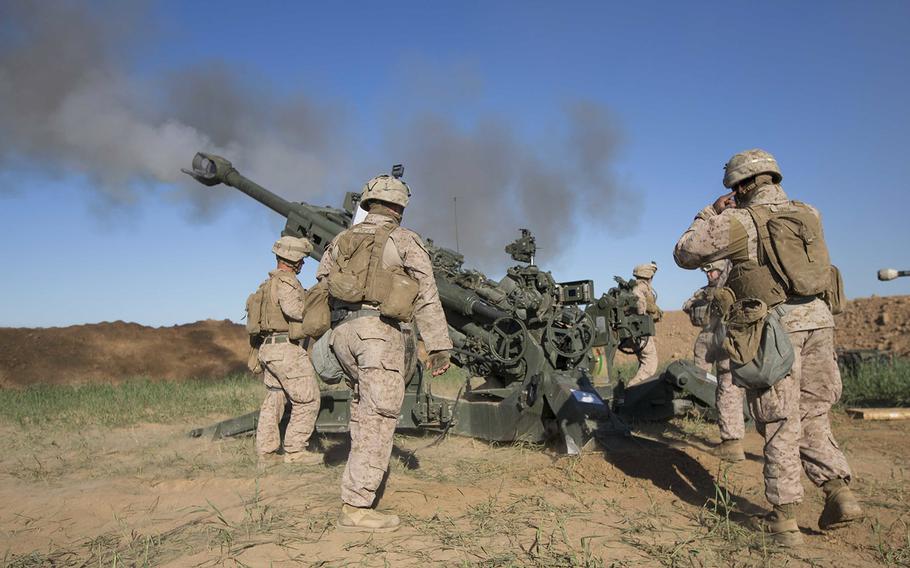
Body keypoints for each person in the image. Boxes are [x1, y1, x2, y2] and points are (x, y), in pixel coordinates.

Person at [674, 149, 862, 545]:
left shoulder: (737, 221)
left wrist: (710, 212)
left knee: (779, 420)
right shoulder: (809, 212)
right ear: (773, 178)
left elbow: (685, 252)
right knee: (813, 414)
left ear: (740, 186)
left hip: (775, 331)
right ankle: (838, 492)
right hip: (820, 323)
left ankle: (784, 518)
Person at [316, 169, 453, 532]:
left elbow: (322, 280)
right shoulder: (405, 239)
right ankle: (357, 506)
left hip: (344, 333)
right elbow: (426, 294)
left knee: (364, 412)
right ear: (400, 208)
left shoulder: (341, 240)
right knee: (379, 418)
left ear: (368, 202)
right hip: (378, 334)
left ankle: (358, 490)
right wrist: (438, 345)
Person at [252, 236, 323, 466]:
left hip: (268, 349)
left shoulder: (266, 285)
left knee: (274, 400)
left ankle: (267, 454)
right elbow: (296, 310)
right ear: (294, 260)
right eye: (302, 260)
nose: (303, 264)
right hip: (286, 350)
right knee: (308, 399)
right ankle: (295, 451)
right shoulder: (288, 282)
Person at [682, 260, 745, 462]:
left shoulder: (732, 285)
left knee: (729, 385)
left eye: (713, 271)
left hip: (728, 339)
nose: (709, 275)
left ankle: (732, 441)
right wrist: (700, 305)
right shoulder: (705, 291)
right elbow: (686, 305)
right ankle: (704, 409)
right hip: (709, 339)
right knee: (701, 379)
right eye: (706, 272)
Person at [627, 262, 661, 386]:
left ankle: (636, 392)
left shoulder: (636, 286)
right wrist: (644, 312)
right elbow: (640, 304)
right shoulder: (640, 288)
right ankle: (631, 390)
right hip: (640, 331)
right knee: (650, 363)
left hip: (637, 331)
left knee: (645, 361)